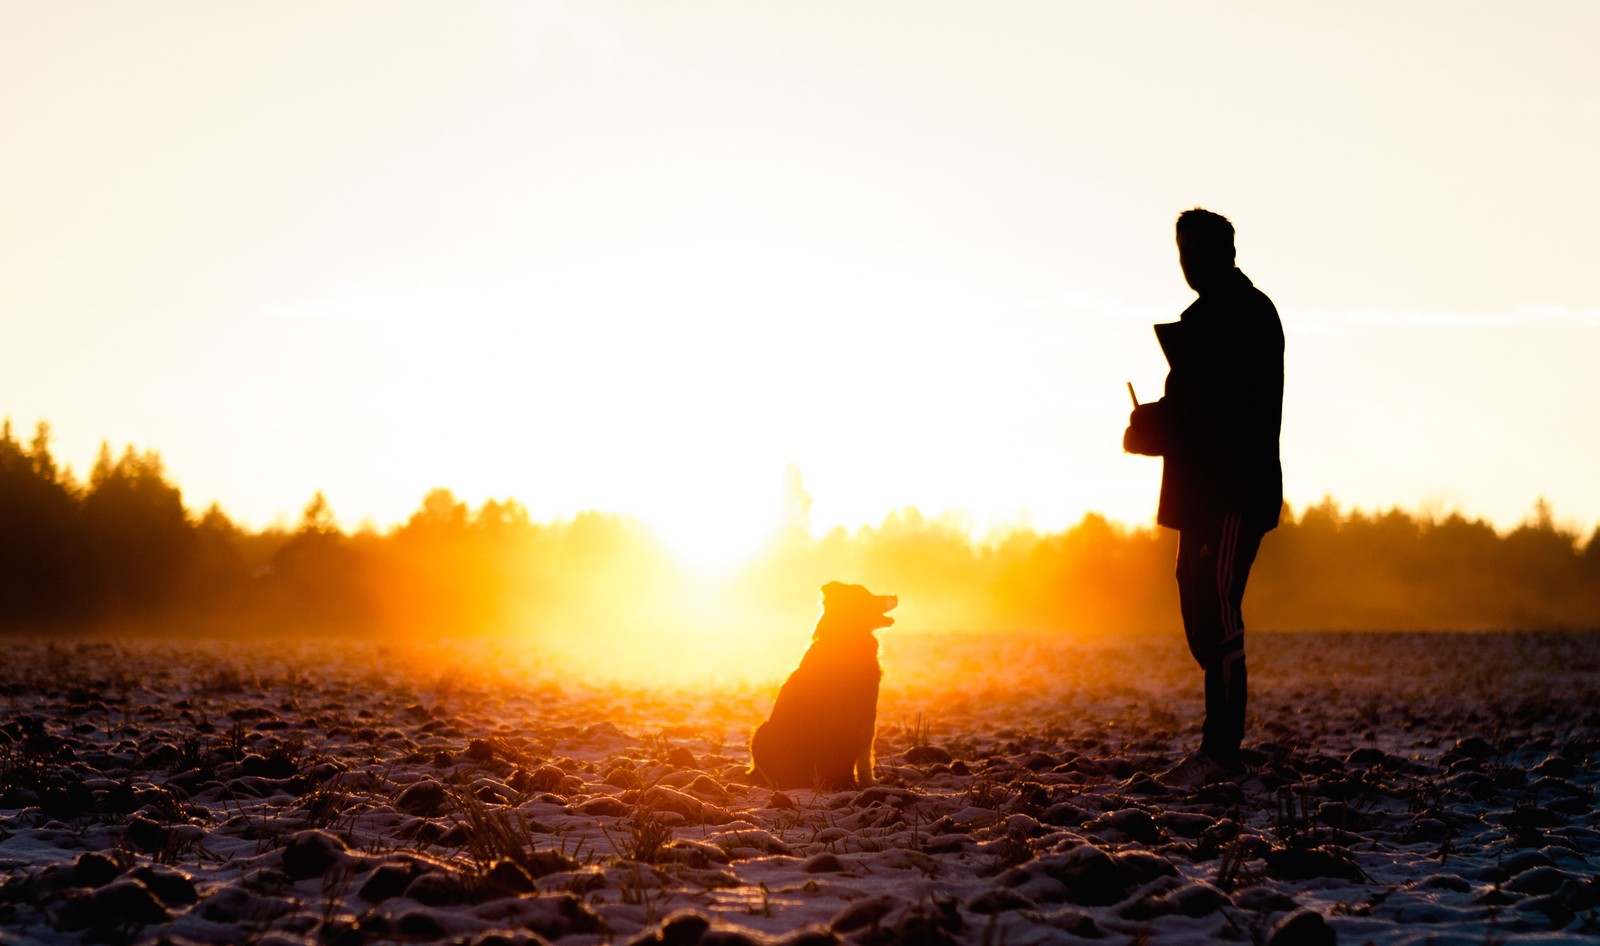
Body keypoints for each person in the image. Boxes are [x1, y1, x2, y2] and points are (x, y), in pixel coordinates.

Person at [1124, 208, 1284, 787]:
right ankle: (1223, 748)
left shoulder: (1243, 314)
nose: (1190, 262)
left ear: (1228, 252)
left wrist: (1155, 426)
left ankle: (1221, 752)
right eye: (1182, 252)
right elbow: (1197, 407)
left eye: (1199, 251)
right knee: (1199, 609)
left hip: (1231, 492)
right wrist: (1155, 427)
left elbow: (1223, 408)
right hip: (1200, 493)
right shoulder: (1206, 317)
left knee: (1216, 613)